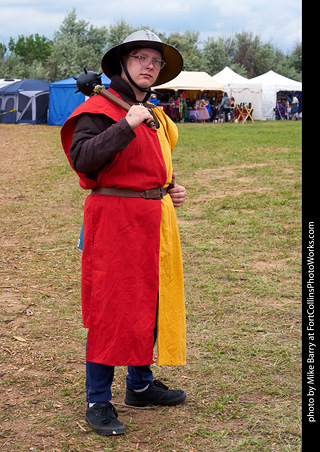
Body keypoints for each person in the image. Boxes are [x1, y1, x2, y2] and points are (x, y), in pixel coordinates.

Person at [61, 30, 187, 436]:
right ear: (122, 64)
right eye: (141, 57)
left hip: (153, 218)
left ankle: (140, 384)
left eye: (156, 61)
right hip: (115, 220)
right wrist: (125, 125)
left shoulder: (149, 110)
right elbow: (83, 159)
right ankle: (98, 399)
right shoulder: (101, 108)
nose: (150, 65)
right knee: (111, 308)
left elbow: (146, 163)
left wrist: (169, 187)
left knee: (149, 301)